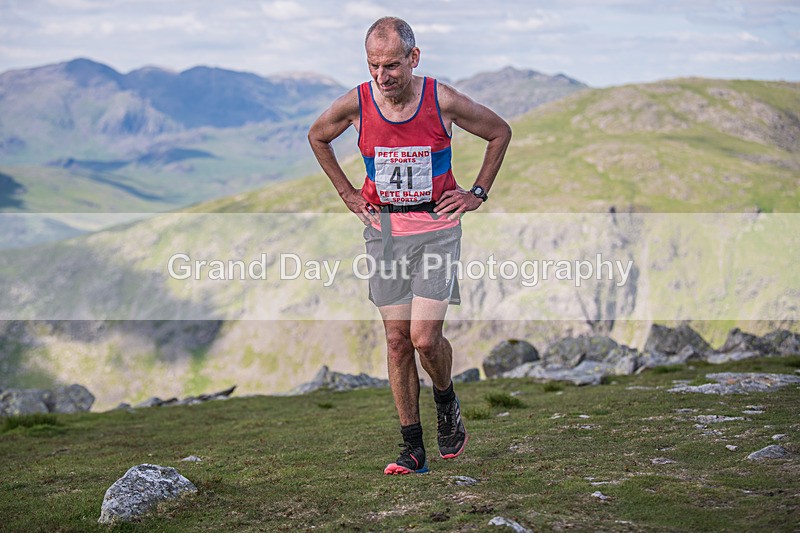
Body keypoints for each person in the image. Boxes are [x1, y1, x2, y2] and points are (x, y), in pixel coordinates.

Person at [308, 16, 511, 475]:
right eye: (374, 66)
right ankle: (412, 449)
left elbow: (500, 131)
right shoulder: (358, 103)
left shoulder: (442, 100)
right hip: (384, 233)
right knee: (398, 342)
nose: (382, 76)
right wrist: (347, 193)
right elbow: (317, 136)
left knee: (424, 338)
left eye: (392, 66)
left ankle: (446, 399)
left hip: (437, 229)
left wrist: (477, 193)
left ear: (413, 58)